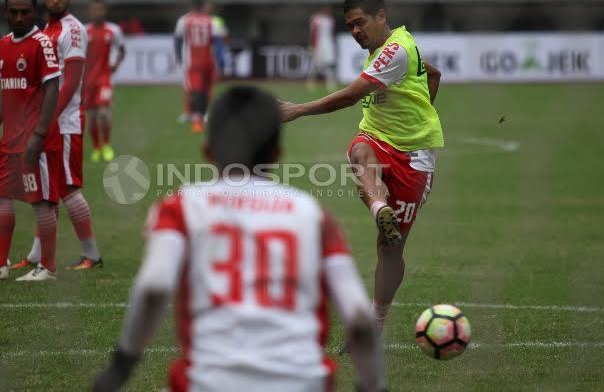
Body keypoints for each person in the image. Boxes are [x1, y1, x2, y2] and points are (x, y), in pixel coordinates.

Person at [93, 86, 385, 392]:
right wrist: (374, 386)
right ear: (276, 156)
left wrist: (121, 366)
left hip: (209, 380)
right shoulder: (313, 214)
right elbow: (360, 318)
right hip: (302, 382)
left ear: (208, 152)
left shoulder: (180, 207)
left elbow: (154, 286)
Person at [280, 0, 444, 332]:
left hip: (415, 159)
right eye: (350, 26)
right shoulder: (391, 50)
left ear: (381, 16)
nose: (355, 31)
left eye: (360, 22)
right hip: (378, 139)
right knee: (358, 149)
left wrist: (297, 109)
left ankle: (376, 320)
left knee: (389, 248)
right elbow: (432, 73)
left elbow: (351, 97)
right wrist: (422, 107)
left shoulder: (396, 50)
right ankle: (378, 207)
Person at [11, 0, 104, 271]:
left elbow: (72, 81)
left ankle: (91, 255)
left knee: (67, 188)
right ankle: (37, 256)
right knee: (47, 190)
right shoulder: (45, 30)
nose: (54, 0)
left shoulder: (72, 30)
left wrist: (46, 118)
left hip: (64, 122)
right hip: (44, 121)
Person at [0, 0, 61, 281]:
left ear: (34, 13)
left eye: (25, 12)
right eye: (14, 12)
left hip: (34, 142)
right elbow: (6, 87)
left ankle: (46, 267)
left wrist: (38, 134)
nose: (19, 17)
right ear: (6, 13)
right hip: (9, 140)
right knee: (0, 198)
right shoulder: (4, 43)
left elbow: (52, 88)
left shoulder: (42, 44)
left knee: (41, 202)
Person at [174, 0, 226, 133]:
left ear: (191, 6)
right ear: (203, 6)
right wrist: (221, 62)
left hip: (192, 62)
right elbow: (218, 44)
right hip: (208, 61)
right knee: (205, 90)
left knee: (195, 91)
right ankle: (203, 116)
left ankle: (197, 120)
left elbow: (178, 40)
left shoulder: (184, 21)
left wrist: (179, 57)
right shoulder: (212, 21)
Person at [84, 0, 125, 163]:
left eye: (100, 9)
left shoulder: (113, 30)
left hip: (104, 79)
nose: (97, 12)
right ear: (90, 11)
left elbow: (122, 50)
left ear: (105, 11)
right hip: (87, 81)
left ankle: (107, 145)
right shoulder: (83, 31)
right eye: (94, 9)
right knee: (92, 117)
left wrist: (116, 63)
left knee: (103, 113)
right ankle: (96, 147)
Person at [307, 6, 338, 91]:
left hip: (328, 43)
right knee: (316, 64)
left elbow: (331, 33)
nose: (328, 10)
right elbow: (312, 33)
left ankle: (330, 83)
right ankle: (311, 82)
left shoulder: (331, 20)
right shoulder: (316, 19)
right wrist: (312, 45)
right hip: (319, 44)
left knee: (330, 63)